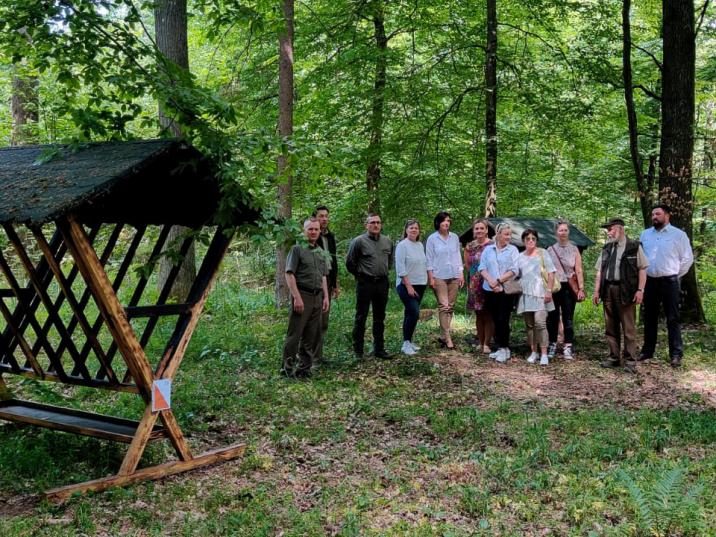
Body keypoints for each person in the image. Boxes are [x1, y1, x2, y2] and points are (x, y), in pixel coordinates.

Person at [639, 204, 694, 367]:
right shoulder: (645, 234)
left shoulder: (679, 235)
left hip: (670, 281)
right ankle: (647, 351)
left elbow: (687, 259)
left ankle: (676, 354)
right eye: (653, 214)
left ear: (667, 215)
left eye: (658, 214)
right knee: (649, 317)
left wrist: (675, 275)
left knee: (673, 318)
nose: (654, 217)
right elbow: (640, 259)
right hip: (649, 282)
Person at [592, 217, 648, 373]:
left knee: (628, 327)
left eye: (611, 229)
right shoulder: (607, 248)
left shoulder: (633, 247)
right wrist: (596, 291)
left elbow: (642, 269)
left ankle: (630, 360)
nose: (608, 233)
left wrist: (640, 290)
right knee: (610, 326)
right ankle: (613, 357)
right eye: (608, 230)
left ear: (620, 229)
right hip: (608, 289)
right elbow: (599, 271)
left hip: (626, 291)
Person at [282, 218, 330, 378]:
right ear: (304, 231)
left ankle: (304, 369)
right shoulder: (297, 249)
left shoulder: (320, 252)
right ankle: (287, 369)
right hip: (303, 295)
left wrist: (326, 297)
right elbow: (289, 274)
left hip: (317, 296)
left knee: (311, 335)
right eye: (310, 229)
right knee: (295, 334)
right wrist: (297, 297)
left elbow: (323, 276)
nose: (313, 232)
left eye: (316, 229)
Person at [346, 213, 394, 359]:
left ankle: (379, 349)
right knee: (361, 316)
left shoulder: (387, 241)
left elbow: (390, 261)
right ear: (366, 225)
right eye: (372, 222)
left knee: (380, 317)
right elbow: (349, 262)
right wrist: (360, 276)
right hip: (365, 283)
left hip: (382, 283)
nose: (376, 225)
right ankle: (358, 351)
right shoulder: (359, 241)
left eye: (378, 222)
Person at [479, 223, 519, 363]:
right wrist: (491, 282)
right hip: (489, 289)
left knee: (503, 319)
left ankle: (503, 347)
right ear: (498, 234)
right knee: (495, 318)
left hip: (505, 289)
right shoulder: (488, 250)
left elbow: (514, 269)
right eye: (506, 234)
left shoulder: (513, 250)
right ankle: (503, 348)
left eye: (510, 234)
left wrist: (498, 281)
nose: (509, 237)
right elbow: (482, 267)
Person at [516, 229, 557, 366]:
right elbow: (514, 272)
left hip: (541, 292)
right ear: (523, 241)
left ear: (536, 240)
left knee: (540, 323)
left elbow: (551, 273)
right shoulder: (520, 256)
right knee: (530, 325)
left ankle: (544, 354)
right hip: (526, 294)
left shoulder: (543, 253)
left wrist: (549, 291)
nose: (531, 241)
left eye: (533, 238)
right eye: (528, 239)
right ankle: (534, 352)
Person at [546, 219, 586, 359]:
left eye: (565, 230)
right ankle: (552, 343)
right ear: (556, 232)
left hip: (569, 287)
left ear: (568, 232)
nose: (563, 232)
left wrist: (581, 288)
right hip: (555, 286)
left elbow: (579, 269)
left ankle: (568, 345)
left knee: (568, 317)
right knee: (552, 316)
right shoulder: (550, 250)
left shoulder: (574, 249)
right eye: (560, 230)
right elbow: (546, 271)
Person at [425, 211, 464, 349]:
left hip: (453, 275)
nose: (446, 223)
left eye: (448, 220)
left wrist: (461, 273)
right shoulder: (432, 239)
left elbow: (457, 256)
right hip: (438, 275)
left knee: (451, 306)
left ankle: (443, 335)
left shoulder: (454, 237)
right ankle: (448, 338)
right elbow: (428, 259)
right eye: (443, 221)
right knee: (444, 306)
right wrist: (431, 278)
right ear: (438, 223)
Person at [395, 219, 428, 355]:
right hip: (406, 284)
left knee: (409, 313)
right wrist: (408, 286)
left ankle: (408, 340)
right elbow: (400, 268)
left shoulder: (420, 245)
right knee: (414, 312)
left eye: (416, 228)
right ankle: (405, 344)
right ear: (406, 230)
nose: (414, 230)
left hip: (420, 283)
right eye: (411, 228)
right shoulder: (402, 245)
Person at [313, 205, 340, 362]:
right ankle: (307, 355)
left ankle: (318, 355)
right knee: (312, 320)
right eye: (321, 216)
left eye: (326, 216)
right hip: (314, 282)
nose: (324, 219)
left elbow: (333, 260)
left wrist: (335, 284)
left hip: (328, 280)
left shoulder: (330, 236)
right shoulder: (310, 235)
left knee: (324, 320)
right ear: (315, 217)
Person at [464, 218, 494, 354]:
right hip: (474, 283)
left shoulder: (493, 245)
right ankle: (480, 342)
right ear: (473, 230)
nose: (479, 231)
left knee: (488, 313)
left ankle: (487, 343)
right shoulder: (469, 246)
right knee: (478, 314)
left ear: (486, 230)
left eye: (482, 228)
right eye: (477, 228)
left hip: (489, 282)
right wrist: (473, 279)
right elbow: (468, 265)